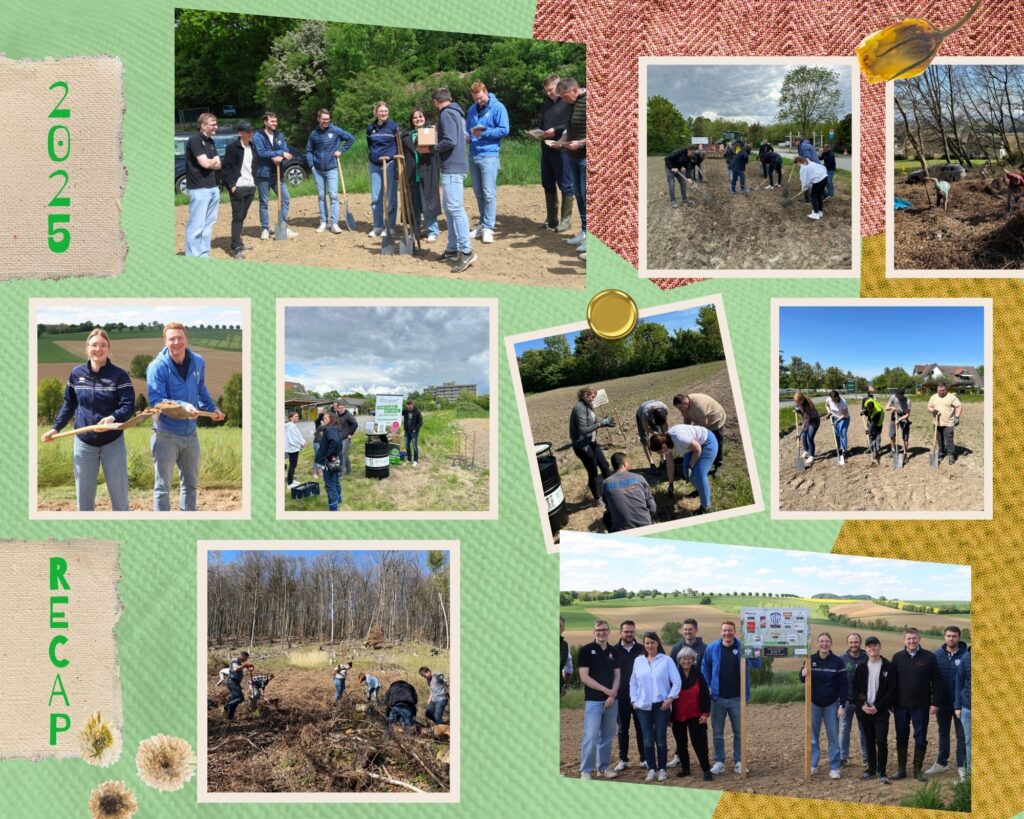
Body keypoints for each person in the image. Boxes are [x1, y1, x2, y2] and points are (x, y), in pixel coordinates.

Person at [43, 328, 135, 511]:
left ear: (108, 348)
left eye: (103, 345)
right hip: (84, 444)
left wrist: (112, 418)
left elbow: (128, 406)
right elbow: (69, 404)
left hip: (112, 443)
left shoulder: (119, 375)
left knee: (120, 497)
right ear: (87, 348)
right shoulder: (76, 374)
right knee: (84, 500)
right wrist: (56, 428)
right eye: (94, 345)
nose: (98, 349)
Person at [146, 322, 225, 512]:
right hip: (165, 435)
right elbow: (156, 400)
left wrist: (212, 408)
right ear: (165, 341)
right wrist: (183, 406)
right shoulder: (157, 367)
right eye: (171, 339)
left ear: (186, 339)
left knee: (191, 485)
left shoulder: (198, 361)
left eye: (179, 338)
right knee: (162, 488)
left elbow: (201, 388)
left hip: (191, 434)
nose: (176, 342)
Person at [701, 621, 760, 774]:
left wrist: (755, 649)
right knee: (718, 733)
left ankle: (739, 761)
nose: (727, 633)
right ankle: (719, 762)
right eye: (725, 630)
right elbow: (704, 667)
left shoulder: (742, 647)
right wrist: (708, 685)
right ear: (721, 632)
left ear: (735, 631)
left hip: (737, 699)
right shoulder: (712, 648)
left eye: (730, 630)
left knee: (739, 732)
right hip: (717, 698)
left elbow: (756, 664)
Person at [431, 88, 476, 273]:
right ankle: (452, 248)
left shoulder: (446, 114)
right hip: (454, 165)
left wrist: (433, 147)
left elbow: (449, 140)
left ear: (435, 101)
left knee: (455, 208)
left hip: (452, 166)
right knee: (450, 208)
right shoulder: (456, 113)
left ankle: (466, 251)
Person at [890, 627, 941, 781]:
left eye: (914, 638)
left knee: (920, 738)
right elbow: (892, 682)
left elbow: (937, 681)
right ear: (904, 640)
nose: (911, 641)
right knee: (901, 737)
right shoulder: (897, 657)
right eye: (908, 639)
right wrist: (891, 702)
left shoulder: (929, 657)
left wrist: (935, 702)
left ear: (919, 639)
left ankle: (917, 770)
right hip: (900, 705)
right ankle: (901, 769)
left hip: (921, 706)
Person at [630, 631, 681, 782]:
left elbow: (677, 681)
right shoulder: (638, 661)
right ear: (644, 645)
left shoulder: (666, 660)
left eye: (652, 642)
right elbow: (632, 683)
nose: (650, 645)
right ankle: (651, 769)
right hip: (643, 706)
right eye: (647, 643)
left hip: (662, 706)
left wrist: (670, 699)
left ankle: (662, 769)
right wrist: (634, 700)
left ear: (657, 643)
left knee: (660, 739)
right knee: (647, 739)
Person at [465, 81, 509, 244]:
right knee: (478, 193)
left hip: (489, 155)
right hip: (473, 154)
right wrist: (467, 135)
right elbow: (468, 127)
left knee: (489, 193)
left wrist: (483, 133)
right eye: (476, 99)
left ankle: (489, 228)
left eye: (481, 98)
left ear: (486, 92)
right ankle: (482, 225)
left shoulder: (498, 107)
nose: (479, 101)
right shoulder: (471, 109)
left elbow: (504, 129)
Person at [800, 633, 847, 778]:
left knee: (833, 737)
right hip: (813, 704)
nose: (824, 644)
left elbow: (843, 685)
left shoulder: (838, 662)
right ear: (817, 643)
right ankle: (813, 765)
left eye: (827, 641)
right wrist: (802, 674)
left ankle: (834, 767)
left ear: (831, 643)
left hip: (831, 705)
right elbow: (802, 679)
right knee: (813, 737)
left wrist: (842, 705)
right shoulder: (810, 659)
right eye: (821, 641)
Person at [578, 620, 620, 779]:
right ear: (593, 632)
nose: (601, 632)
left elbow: (618, 676)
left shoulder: (614, 652)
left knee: (607, 736)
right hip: (593, 701)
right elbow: (584, 677)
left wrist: (612, 694)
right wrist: (605, 690)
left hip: (612, 701)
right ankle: (586, 770)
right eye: (598, 630)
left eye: (604, 630)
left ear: (609, 632)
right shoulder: (585, 650)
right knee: (591, 735)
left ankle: (603, 768)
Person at [853, 635, 898, 784]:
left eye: (875, 645)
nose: (872, 648)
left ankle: (882, 771)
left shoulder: (888, 666)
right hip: (865, 711)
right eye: (869, 646)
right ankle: (871, 769)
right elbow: (857, 689)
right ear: (865, 649)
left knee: (882, 741)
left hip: (881, 711)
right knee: (869, 741)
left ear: (879, 647)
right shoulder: (861, 667)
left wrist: (878, 707)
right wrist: (863, 705)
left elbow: (891, 691)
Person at [305, 108, 355, 234]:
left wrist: (341, 151)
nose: (326, 121)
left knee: (333, 196)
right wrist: (311, 166)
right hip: (318, 170)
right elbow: (309, 150)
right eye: (323, 119)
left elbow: (350, 138)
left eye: (328, 119)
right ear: (318, 119)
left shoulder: (335, 130)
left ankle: (334, 223)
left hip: (332, 168)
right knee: (321, 196)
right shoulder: (314, 134)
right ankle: (323, 222)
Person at [648, 425, 717, 515]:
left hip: (707, 442)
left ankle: (705, 507)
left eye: (659, 451)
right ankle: (700, 490)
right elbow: (670, 464)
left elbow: (698, 448)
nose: (659, 453)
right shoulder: (666, 443)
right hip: (692, 447)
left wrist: (690, 466)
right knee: (686, 473)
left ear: (664, 446)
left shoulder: (679, 439)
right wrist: (671, 484)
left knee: (699, 475)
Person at [927, 626, 968, 778]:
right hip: (942, 703)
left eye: (954, 636)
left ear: (959, 637)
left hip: (961, 705)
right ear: (944, 637)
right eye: (949, 636)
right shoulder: (936, 655)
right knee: (943, 733)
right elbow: (931, 680)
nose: (951, 639)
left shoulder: (966, 655)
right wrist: (933, 701)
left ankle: (962, 766)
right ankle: (941, 763)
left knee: (961, 735)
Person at [536, 75, 574, 232]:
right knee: (547, 182)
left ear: (559, 86)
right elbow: (543, 123)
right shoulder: (546, 105)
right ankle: (552, 219)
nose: (549, 94)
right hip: (546, 148)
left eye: (551, 90)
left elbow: (571, 124)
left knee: (565, 183)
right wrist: (538, 132)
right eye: (546, 91)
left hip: (562, 149)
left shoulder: (567, 103)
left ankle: (566, 220)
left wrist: (556, 131)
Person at [252, 111, 297, 240]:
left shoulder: (279, 135)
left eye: (276, 121)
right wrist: (278, 154)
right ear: (265, 122)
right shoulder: (258, 136)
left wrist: (280, 156)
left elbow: (286, 150)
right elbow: (261, 153)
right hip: (263, 174)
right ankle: (265, 229)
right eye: (272, 121)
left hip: (277, 173)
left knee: (285, 199)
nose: (275, 123)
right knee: (264, 203)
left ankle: (282, 225)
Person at [183, 112, 221, 257]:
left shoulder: (211, 141)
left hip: (213, 187)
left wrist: (211, 162)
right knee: (197, 225)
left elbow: (219, 164)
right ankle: (192, 256)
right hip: (199, 189)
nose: (216, 127)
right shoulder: (194, 140)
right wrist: (212, 162)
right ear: (203, 125)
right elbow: (205, 163)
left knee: (208, 225)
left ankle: (203, 254)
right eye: (213, 124)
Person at [556, 78, 587, 259]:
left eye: (565, 96)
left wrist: (581, 143)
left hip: (586, 157)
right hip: (572, 156)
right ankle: (584, 233)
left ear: (575, 90)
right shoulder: (571, 104)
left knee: (588, 195)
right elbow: (569, 128)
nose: (564, 100)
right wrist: (562, 140)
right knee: (579, 195)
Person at [673, 646, 713, 780]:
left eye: (689, 658)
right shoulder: (673, 675)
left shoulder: (698, 675)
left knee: (699, 743)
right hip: (678, 716)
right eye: (684, 658)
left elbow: (705, 695)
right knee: (681, 743)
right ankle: (685, 768)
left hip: (696, 715)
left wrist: (705, 713)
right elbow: (668, 695)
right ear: (679, 660)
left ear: (693, 660)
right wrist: (668, 717)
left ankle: (706, 770)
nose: (686, 661)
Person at [401, 108, 441, 242]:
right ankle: (415, 230)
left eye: (420, 116)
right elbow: (402, 155)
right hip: (412, 174)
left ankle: (433, 230)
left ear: (425, 118)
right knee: (414, 204)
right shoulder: (405, 136)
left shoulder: (431, 131)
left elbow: (437, 151)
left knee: (428, 202)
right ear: (411, 121)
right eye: (415, 117)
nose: (418, 119)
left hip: (427, 171)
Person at [220, 121, 257, 259]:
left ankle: (239, 241)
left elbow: (254, 165)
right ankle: (235, 247)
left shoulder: (252, 147)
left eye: (251, 131)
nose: (250, 134)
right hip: (238, 187)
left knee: (242, 216)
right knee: (237, 217)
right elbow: (226, 168)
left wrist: (255, 183)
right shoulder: (232, 148)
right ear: (240, 133)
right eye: (248, 131)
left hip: (250, 186)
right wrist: (231, 185)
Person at [569, 386, 613, 502]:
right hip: (583, 446)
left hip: (592, 442)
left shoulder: (589, 406)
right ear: (585, 395)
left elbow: (592, 422)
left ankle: (612, 490)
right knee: (593, 471)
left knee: (604, 465)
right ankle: (598, 498)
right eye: (591, 396)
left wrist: (604, 422)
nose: (593, 399)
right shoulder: (579, 408)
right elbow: (583, 430)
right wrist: (600, 424)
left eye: (594, 396)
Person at [612, 621, 644, 772]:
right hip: (621, 697)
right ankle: (623, 759)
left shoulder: (642, 649)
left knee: (641, 729)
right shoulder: (613, 650)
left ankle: (644, 759)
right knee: (622, 729)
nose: (629, 634)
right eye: (626, 632)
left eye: (632, 632)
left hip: (640, 697)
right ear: (620, 633)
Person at [366, 101, 400, 240]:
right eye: (381, 111)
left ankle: (390, 227)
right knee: (376, 198)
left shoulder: (394, 127)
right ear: (376, 113)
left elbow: (399, 145)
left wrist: (394, 160)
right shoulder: (370, 128)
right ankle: (378, 226)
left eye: (385, 111)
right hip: (375, 165)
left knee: (390, 197)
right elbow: (370, 144)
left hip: (390, 164)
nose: (383, 113)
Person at [601, 453, 657, 532]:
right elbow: (652, 507)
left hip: (621, 531)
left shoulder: (606, 483)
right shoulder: (639, 478)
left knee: (606, 516)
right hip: (645, 525)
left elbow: (609, 507)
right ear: (624, 464)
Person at [672, 393, 727, 472]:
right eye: (678, 408)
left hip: (715, 420)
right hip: (701, 422)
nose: (680, 410)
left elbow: (704, 423)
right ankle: (704, 461)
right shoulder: (684, 407)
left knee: (717, 442)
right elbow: (686, 419)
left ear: (685, 403)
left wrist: (693, 432)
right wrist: (686, 431)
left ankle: (718, 465)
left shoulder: (698, 404)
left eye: (680, 407)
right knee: (701, 442)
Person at [839, 633, 869, 769]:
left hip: (863, 702)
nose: (854, 645)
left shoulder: (867, 658)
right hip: (847, 701)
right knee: (845, 729)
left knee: (864, 730)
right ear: (847, 643)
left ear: (860, 643)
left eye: (856, 642)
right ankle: (842, 757)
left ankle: (866, 757)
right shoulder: (842, 660)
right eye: (851, 642)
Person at [313, 410, 343, 511]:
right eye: (323, 418)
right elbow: (337, 442)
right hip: (334, 459)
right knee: (335, 480)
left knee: (330, 484)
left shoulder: (330, 429)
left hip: (329, 460)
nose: (323, 419)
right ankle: (338, 500)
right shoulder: (333, 428)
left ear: (331, 419)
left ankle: (333, 508)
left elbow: (335, 442)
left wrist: (329, 455)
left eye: (325, 418)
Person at [927, 382, 963, 465]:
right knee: (940, 440)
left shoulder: (951, 397)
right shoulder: (933, 397)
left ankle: (951, 455)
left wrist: (957, 417)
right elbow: (929, 406)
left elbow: (959, 406)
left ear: (946, 389)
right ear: (937, 389)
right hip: (937, 422)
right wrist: (933, 410)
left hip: (948, 423)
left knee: (949, 440)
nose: (941, 392)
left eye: (943, 390)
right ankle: (941, 452)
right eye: (939, 390)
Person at [636, 399, 670, 467]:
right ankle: (651, 463)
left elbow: (666, 424)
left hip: (653, 413)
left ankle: (663, 459)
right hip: (641, 415)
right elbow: (646, 428)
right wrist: (654, 433)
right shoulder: (645, 413)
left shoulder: (665, 409)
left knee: (660, 436)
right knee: (645, 440)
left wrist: (664, 436)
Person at [954, 649, 971, 781]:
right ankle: (969, 776)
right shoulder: (966, 657)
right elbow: (958, 682)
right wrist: (958, 706)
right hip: (967, 708)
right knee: (968, 741)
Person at [792, 390, 819, 467]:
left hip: (814, 421)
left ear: (802, 400)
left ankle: (811, 456)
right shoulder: (799, 402)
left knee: (809, 438)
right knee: (803, 437)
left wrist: (799, 433)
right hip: (806, 421)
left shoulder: (807, 406)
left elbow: (806, 422)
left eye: (797, 401)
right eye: (795, 401)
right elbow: (797, 407)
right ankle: (806, 451)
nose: (796, 403)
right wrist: (797, 409)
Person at [224, 651, 253, 720]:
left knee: (235, 701)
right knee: (240, 698)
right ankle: (227, 707)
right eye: (246, 658)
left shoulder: (239, 662)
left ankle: (229, 718)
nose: (246, 660)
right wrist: (245, 665)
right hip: (232, 682)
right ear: (242, 656)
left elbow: (239, 668)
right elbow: (235, 668)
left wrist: (247, 668)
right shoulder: (235, 660)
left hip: (235, 683)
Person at [885, 388, 912, 459]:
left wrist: (899, 419)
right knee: (892, 434)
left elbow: (907, 414)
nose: (897, 397)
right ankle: (893, 450)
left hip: (903, 417)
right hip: (894, 415)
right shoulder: (893, 397)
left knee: (905, 437)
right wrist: (892, 408)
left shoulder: (907, 401)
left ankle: (905, 453)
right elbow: (886, 408)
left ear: (902, 395)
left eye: (899, 396)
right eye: (896, 395)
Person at [824, 390, 851, 459]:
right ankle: (839, 449)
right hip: (835, 417)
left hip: (844, 418)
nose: (835, 400)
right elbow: (826, 405)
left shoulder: (843, 402)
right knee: (837, 434)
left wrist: (838, 420)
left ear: (838, 397)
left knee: (843, 433)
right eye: (833, 399)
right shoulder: (828, 399)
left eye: (836, 398)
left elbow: (844, 414)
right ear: (831, 398)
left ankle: (844, 451)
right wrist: (829, 412)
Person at [284, 411, 307, 488]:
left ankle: (291, 480)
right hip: (292, 449)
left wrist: (303, 441)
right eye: (295, 416)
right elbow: (293, 439)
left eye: (297, 416)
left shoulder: (293, 425)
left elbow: (299, 436)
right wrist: (301, 444)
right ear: (290, 418)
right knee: (292, 465)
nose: (297, 418)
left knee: (293, 465)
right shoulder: (291, 427)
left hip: (295, 448)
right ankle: (290, 483)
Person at [335, 402, 358, 475]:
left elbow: (355, 424)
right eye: (340, 408)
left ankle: (341, 473)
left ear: (344, 408)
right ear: (337, 409)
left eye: (342, 408)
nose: (341, 409)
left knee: (342, 454)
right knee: (343, 454)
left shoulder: (348, 415)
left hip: (346, 438)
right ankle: (349, 471)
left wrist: (350, 434)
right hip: (339, 438)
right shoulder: (337, 416)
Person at [862, 391, 885, 463]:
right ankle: (871, 448)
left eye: (870, 410)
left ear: (873, 408)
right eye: (868, 409)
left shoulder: (877, 412)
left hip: (878, 421)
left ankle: (877, 451)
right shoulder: (867, 402)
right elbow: (865, 410)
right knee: (871, 435)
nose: (869, 411)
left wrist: (869, 429)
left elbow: (874, 423)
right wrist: (864, 412)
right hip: (872, 418)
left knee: (877, 436)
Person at [402, 399, 423, 467]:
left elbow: (421, 422)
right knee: (406, 445)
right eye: (407, 406)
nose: (408, 408)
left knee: (414, 445)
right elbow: (398, 412)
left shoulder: (417, 411)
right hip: (407, 431)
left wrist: (415, 429)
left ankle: (415, 460)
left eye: (410, 406)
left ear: (412, 405)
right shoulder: (405, 411)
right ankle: (409, 459)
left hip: (414, 432)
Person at [560, 617, 573, 695]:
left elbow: (569, 667)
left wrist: (564, 684)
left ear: (563, 628)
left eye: (560, 626)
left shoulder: (565, 645)